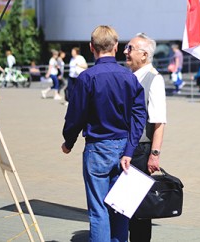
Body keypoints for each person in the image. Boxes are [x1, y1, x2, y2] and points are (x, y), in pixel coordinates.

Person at [61, 25, 146, 242]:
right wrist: (129, 148)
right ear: (116, 47)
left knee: (98, 209)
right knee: (120, 208)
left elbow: (75, 116)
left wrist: (68, 141)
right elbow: (139, 117)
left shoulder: (87, 78)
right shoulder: (129, 78)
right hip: (123, 148)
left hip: (97, 147)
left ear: (92, 47)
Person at [124, 33, 166, 242]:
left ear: (144, 54)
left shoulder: (154, 79)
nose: (125, 52)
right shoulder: (130, 76)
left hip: (141, 150)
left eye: (130, 48)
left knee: (139, 209)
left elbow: (159, 122)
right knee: (124, 204)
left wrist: (154, 155)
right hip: (125, 148)